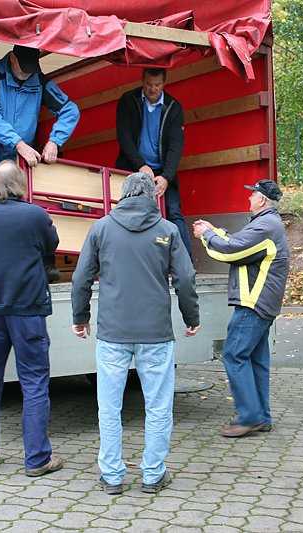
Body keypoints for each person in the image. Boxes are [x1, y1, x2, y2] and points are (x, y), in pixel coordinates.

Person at [71, 172, 200, 494]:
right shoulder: (168, 230)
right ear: (152, 197)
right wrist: (191, 317)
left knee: (109, 407)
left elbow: (81, 277)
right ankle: (153, 475)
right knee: (158, 406)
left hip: (112, 332)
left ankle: (112, 476)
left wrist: (80, 316)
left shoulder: (101, 228)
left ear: (123, 195)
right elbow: (185, 278)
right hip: (155, 332)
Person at [0, 160, 63, 477]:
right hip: (28, 308)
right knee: (34, 381)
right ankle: (36, 459)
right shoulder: (34, 215)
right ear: (20, 184)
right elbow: (52, 245)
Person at [192, 179, 290, 438]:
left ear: (262, 199)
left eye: (252, 194)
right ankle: (261, 417)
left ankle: (250, 417)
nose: (249, 198)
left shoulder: (265, 226)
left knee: (234, 355)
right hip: (261, 303)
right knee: (256, 360)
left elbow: (231, 252)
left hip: (253, 304)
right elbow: (238, 243)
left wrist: (206, 236)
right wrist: (214, 230)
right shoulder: (267, 224)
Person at [0, 45, 80, 199]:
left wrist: (55, 141)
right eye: (24, 68)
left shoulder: (39, 80)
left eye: (31, 69)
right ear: (12, 58)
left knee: (19, 202)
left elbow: (70, 110)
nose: (28, 73)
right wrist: (17, 143)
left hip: (21, 157)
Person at [114, 68, 193, 260]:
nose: (152, 89)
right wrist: (141, 165)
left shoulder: (173, 107)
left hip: (162, 170)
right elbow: (124, 137)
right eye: (149, 84)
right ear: (142, 81)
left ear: (164, 83)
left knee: (173, 212)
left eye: (157, 85)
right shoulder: (128, 100)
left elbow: (176, 145)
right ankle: (125, 260)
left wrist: (166, 177)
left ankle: (186, 263)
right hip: (132, 168)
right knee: (126, 212)